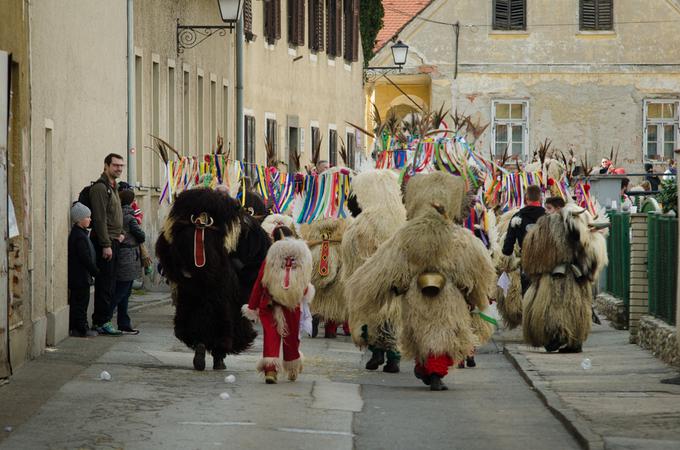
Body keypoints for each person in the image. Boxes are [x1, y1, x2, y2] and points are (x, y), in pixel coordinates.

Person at [347, 172, 496, 391]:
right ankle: (434, 372)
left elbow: (386, 266)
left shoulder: (406, 236)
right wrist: (475, 294)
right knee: (444, 333)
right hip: (449, 296)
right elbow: (476, 269)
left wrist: (386, 290)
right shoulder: (460, 236)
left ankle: (428, 369)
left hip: (417, 295)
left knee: (422, 334)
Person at [156, 188, 258, 371]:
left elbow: (165, 248)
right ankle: (219, 357)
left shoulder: (180, 224)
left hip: (190, 280)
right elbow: (252, 246)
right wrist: (242, 273)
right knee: (223, 315)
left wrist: (177, 274)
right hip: (222, 280)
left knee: (193, 313)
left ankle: (199, 343)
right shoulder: (229, 220)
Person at [343, 170, 406, 373]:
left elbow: (351, 252)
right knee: (392, 316)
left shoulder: (362, 224)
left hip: (368, 278)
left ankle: (376, 352)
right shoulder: (402, 219)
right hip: (394, 279)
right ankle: (393, 357)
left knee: (370, 313)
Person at [522, 204, 608, 353]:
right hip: (571, 276)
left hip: (563, 276)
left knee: (560, 308)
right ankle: (570, 340)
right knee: (571, 308)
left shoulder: (551, 228)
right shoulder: (556, 227)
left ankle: (564, 338)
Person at [243, 226, 314, 384]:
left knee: (271, 336)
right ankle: (292, 368)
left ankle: (270, 370)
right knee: (292, 338)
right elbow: (305, 283)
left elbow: (260, 282)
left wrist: (252, 305)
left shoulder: (271, 258)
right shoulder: (302, 257)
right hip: (292, 305)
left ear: (273, 240)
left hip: (270, 303)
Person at [90, 153, 125, 336]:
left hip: (114, 240)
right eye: (115, 165)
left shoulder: (115, 187)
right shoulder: (100, 188)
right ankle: (101, 321)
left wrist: (121, 234)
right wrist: (105, 244)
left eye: (121, 166)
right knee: (105, 283)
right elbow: (100, 218)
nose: (119, 168)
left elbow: (116, 215)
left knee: (111, 283)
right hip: (106, 242)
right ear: (106, 166)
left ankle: (103, 320)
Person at [110, 188, 145, 335]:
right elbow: (140, 235)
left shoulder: (117, 214)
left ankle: (124, 323)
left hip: (122, 255)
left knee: (124, 292)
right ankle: (105, 318)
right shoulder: (130, 217)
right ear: (132, 202)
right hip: (128, 256)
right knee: (122, 291)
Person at [502, 185, 546, 293]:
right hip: (546, 263)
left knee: (527, 294)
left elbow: (508, 247)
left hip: (527, 261)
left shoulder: (517, 217)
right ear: (540, 198)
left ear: (526, 198)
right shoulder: (548, 216)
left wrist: (507, 256)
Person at [68, 202, 99, 337]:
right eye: (88, 217)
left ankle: (79, 327)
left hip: (81, 276)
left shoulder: (81, 233)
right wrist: (95, 271)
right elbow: (85, 257)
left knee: (80, 302)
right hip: (80, 277)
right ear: (80, 219)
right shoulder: (79, 236)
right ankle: (80, 328)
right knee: (80, 304)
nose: (90, 219)